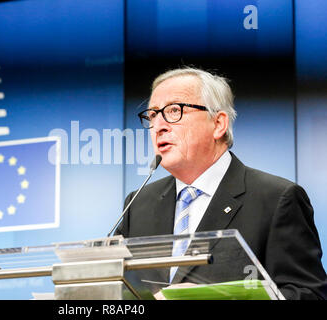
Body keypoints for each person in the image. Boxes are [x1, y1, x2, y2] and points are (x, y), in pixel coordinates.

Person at [115, 67, 327, 300]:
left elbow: (309, 294)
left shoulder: (277, 199)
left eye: (174, 110)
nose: (159, 126)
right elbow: (114, 287)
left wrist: (218, 297)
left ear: (218, 124)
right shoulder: (138, 204)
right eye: (153, 115)